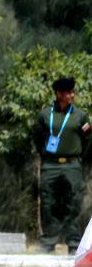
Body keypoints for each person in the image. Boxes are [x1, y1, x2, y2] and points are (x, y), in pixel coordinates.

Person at [33, 77, 92, 254]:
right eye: (69, 92)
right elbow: (37, 137)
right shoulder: (45, 115)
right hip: (50, 165)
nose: (72, 95)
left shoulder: (80, 116)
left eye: (73, 92)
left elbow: (88, 141)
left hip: (72, 165)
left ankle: (73, 243)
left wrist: (78, 157)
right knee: (48, 203)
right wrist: (45, 156)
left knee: (73, 203)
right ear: (59, 94)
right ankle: (48, 242)